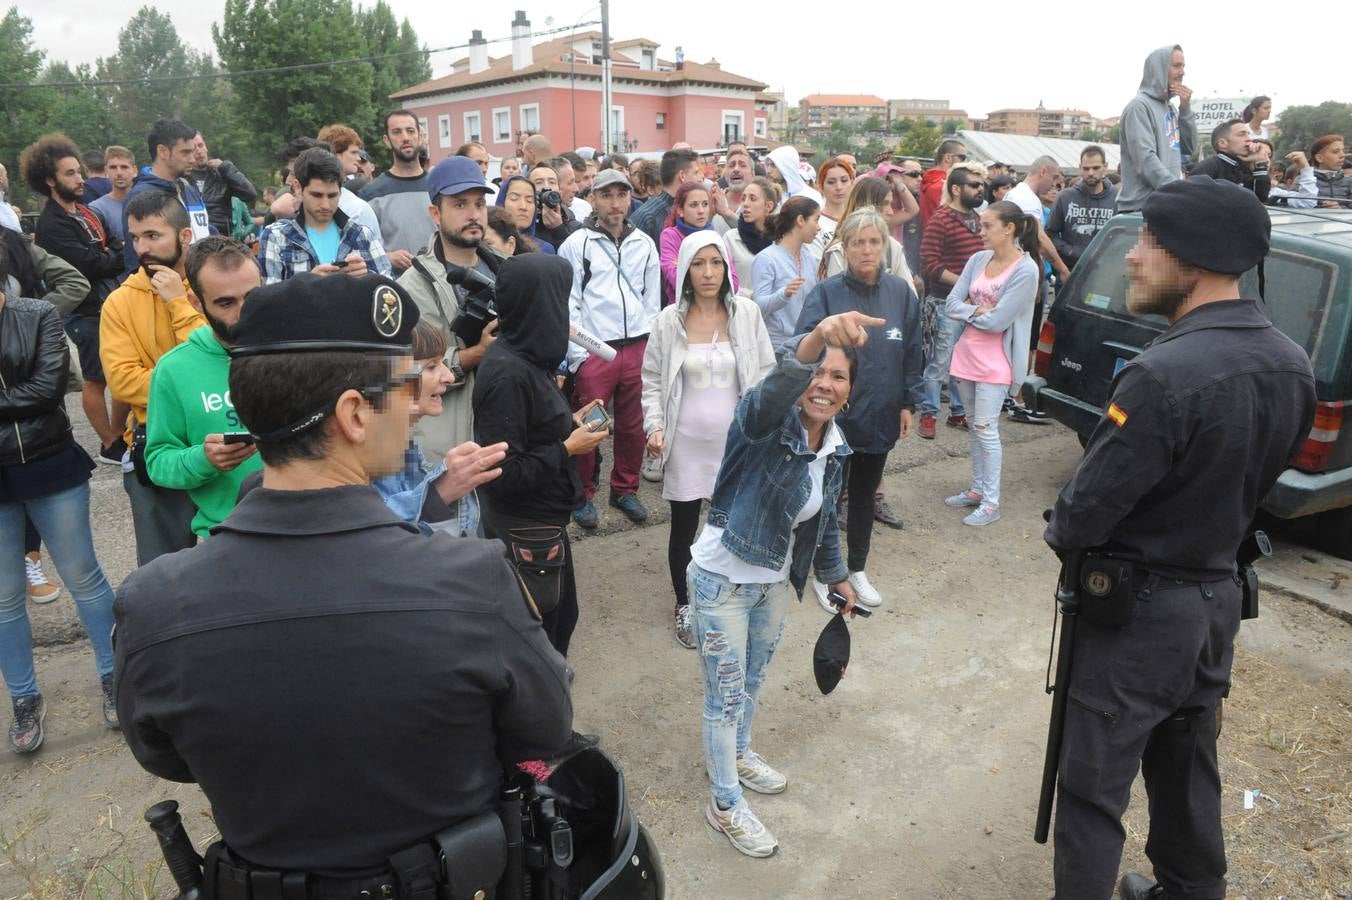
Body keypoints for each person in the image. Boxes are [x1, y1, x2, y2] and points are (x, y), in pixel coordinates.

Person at [115, 269, 573, 879]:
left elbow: (168, 757)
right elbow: (545, 726)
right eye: (403, 387)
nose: (415, 406)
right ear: (355, 414)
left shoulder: (151, 605)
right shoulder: (472, 582)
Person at [1043, 176, 1316, 900]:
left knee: (1094, 790)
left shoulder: (1162, 374)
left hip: (1139, 618)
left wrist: (1067, 527)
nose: (1133, 257)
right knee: (1188, 760)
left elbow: (1080, 515)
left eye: (1148, 243)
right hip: (1215, 602)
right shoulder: (1292, 363)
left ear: (1192, 261)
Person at [691, 311, 869, 858]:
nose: (824, 384)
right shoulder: (762, 420)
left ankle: (739, 755)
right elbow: (780, 382)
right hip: (721, 581)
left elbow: (825, 521)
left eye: (838, 377)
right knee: (723, 699)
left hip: (771, 586)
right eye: (819, 371)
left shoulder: (835, 445)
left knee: (751, 683)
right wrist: (818, 338)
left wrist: (836, 576)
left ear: (850, 392)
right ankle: (723, 805)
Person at [1, 257, 120, 752]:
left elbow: (48, 390)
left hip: (49, 463)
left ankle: (116, 675)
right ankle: (24, 698)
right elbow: (27, 394)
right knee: (5, 597)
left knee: (83, 576)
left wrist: (24, 397)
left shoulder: (38, 315)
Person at [642, 231, 775, 648]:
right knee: (684, 528)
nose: (708, 272)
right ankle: (686, 604)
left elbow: (767, 372)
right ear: (684, 270)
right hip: (684, 444)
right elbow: (650, 380)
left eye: (716, 263)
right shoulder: (668, 321)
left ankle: (726, 597)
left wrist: (763, 429)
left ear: (726, 268)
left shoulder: (747, 314)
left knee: (729, 526)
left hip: (735, 447)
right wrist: (654, 426)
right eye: (698, 264)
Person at [473, 253, 607, 657]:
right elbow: (503, 472)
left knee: (561, 621)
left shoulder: (526, 356)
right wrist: (568, 446)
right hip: (525, 529)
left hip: (544, 522)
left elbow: (531, 427)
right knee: (539, 638)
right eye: (558, 300)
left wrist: (570, 421)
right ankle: (541, 717)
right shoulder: (507, 372)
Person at [794, 208, 924, 608]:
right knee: (825, 495)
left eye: (874, 242)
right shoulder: (826, 293)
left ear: (885, 245)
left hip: (881, 413)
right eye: (858, 243)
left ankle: (857, 567)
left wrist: (909, 401)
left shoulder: (901, 292)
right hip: (833, 416)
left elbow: (914, 350)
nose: (867, 250)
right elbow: (803, 348)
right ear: (844, 248)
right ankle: (821, 571)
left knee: (865, 495)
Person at [100, 191, 207, 565]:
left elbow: (222, 367)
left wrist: (179, 304)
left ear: (184, 236)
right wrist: (191, 386)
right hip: (155, 447)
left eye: (153, 235)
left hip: (220, 441)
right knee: (165, 570)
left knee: (239, 568)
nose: (142, 247)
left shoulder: (212, 288)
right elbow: (123, 382)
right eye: (135, 237)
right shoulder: (120, 302)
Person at [559, 169, 662, 529]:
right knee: (590, 424)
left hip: (637, 345)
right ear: (594, 199)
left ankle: (625, 488)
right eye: (607, 195)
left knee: (634, 424)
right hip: (596, 349)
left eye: (621, 195)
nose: (615, 203)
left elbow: (652, 299)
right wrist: (579, 356)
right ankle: (582, 493)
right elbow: (569, 302)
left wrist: (649, 343)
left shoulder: (644, 243)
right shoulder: (576, 244)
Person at [143, 237, 262, 539]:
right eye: (226, 302)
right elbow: (158, 461)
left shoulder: (297, 351)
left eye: (253, 296)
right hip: (225, 537)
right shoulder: (173, 370)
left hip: (305, 532)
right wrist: (203, 459)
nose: (244, 311)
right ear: (196, 302)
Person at [22, 134, 128, 464]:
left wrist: (109, 255)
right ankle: (109, 444)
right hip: (86, 313)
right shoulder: (52, 223)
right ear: (50, 180)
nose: (80, 178)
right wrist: (110, 255)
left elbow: (115, 247)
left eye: (78, 171)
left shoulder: (84, 211)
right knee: (96, 379)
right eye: (70, 173)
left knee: (121, 373)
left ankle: (120, 436)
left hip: (112, 304)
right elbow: (90, 264)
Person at [942, 201, 1041, 527]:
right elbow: (951, 303)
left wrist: (975, 312)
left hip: (996, 361)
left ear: (1009, 228)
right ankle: (977, 489)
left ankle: (991, 502)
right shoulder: (977, 259)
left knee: (986, 429)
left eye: (986, 226)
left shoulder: (1026, 270)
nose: (979, 231)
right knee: (974, 425)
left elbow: (999, 322)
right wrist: (976, 311)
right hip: (967, 355)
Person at [397, 156, 500, 458]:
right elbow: (410, 374)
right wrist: (476, 353)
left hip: (504, 423)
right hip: (451, 440)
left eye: (479, 204)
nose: (473, 214)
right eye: (459, 204)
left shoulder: (504, 268)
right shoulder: (412, 286)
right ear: (435, 213)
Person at [372, 318, 508, 536]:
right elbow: (370, 538)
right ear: (389, 376)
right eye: (432, 366)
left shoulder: (400, 444)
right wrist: (438, 493)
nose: (449, 376)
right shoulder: (372, 453)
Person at [919, 163, 989, 440]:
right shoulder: (942, 218)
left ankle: (958, 412)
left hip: (971, 305)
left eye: (981, 184)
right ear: (956, 189)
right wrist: (965, 284)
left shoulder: (979, 218)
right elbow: (929, 263)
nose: (980, 189)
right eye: (974, 185)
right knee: (939, 363)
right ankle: (929, 414)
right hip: (944, 304)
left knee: (964, 362)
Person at [258, 148, 390, 283]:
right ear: (298, 188)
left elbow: (389, 293)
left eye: (332, 195)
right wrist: (308, 285)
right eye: (317, 195)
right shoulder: (276, 237)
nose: (326, 205)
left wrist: (367, 277)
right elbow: (269, 300)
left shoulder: (362, 235)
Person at [122, 118, 212, 271]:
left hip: (197, 286)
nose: (192, 159)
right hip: (162, 290)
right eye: (185, 152)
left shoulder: (188, 187)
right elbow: (136, 260)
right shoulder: (141, 195)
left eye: (193, 151)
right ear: (163, 151)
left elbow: (204, 232)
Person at [1117, 45, 1197, 214]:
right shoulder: (1138, 107)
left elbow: (1189, 148)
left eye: (1183, 66)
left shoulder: (1172, 109)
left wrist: (1185, 109)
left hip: (1165, 203)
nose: (1182, 72)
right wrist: (1179, 190)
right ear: (1159, 69)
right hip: (1141, 208)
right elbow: (1145, 159)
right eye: (1176, 66)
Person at [357, 110, 434, 275]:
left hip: (441, 284)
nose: (405, 137)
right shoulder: (370, 194)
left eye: (410, 131)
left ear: (420, 136)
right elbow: (359, 250)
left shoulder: (439, 187)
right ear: (387, 140)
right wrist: (386, 257)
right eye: (397, 132)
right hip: (394, 289)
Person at [751, 196, 820, 347]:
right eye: (816, 219)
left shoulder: (810, 257)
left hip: (806, 344)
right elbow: (759, 306)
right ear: (801, 220)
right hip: (777, 347)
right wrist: (784, 294)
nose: (819, 227)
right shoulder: (766, 259)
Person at [1048, 146, 1119, 271]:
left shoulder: (1118, 198)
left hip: (1106, 272)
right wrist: (1070, 251)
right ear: (1080, 168)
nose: (1091, 173)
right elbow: (1050, 234)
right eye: (1086, 168)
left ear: (1105, 167)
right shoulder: (1065, 197)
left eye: (1096, 168)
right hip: (1072, 271)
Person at [188, 131, 258, 238]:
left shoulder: (222, 174)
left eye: (201, 145)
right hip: (192, 240)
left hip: (220, 240)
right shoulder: (182, 178)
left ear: (206, 147)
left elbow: (250, 194)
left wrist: (226, 167)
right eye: (193, 149)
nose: (199, 151)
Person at [723, 177, 779, 302]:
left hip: (775, 312)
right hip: (742, 309)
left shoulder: (780, 240)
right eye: (744, 198)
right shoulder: (731, 238)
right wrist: (751, 296)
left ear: (768, 206)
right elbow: (725, 281)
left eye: (752, 199)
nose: (745, 203)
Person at [632, 148, 703, 247]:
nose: (701, 178)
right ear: (682, 176)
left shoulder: (692, 210)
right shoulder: (648, 217)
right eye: (696, 173)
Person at [660, 181, 715, 307]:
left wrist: (685, 266)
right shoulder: (670, 236)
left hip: (714, 311)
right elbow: (677, 279)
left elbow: (732, 280)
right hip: (681, 311)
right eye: (694, 205)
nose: (701, 211)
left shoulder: (714, 237)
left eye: (705, 204)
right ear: (681, 210)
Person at [1191, 120, 1270, 202]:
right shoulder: (1207, 168)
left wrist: (1260, 162)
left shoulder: (1244, 168)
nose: (1249, 139)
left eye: (1248, 134)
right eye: (1242, 134)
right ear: (1222, 143)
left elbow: (1259, 200)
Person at [529, 158, 584, 250]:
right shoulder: (524, 223)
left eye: (552, 182)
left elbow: (575, 258)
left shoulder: (573, 225)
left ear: (560, 191)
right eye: (539, 182)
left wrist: (558, 229)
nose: (546, 186)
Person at [494, 174, 556, 254]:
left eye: (529, 200)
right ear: (501, 203)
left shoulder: (544, 250)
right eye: (514, 198)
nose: (523, 207)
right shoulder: (488, 245)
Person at [88, 146, 136, 247]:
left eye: (124, 167)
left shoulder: (148, 202)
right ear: (106, 171)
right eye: (113, 167)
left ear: (134, 170)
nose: (119, 173)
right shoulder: (96, 209)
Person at [812, 156, 856, 260]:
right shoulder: (816, 223)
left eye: (844, 180)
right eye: (831, 182)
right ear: (820, 187)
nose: (839, 187)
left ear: (852, 182)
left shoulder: (860, 219)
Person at [920, 139, 969, 227]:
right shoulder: (943, 185)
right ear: (948, 158)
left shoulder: (929, 178)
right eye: (962, 158)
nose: (965, 163)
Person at [1310, 134, 1351, 207]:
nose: (1342, 155)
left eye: (1343, 151)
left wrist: (1340, 209)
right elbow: (1292, 206)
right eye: (1336, 152)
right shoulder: (1305, 180)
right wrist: (1320, 208)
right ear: (1319, 158)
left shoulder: (1349, 181)